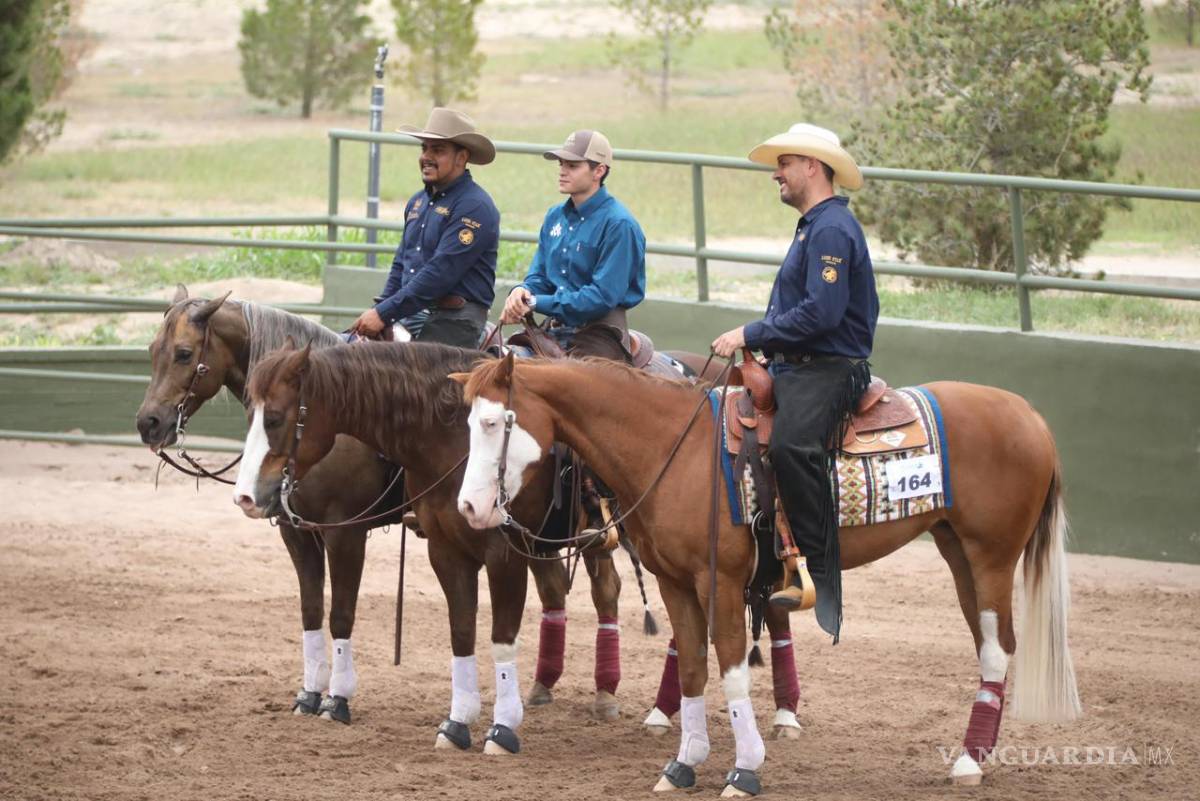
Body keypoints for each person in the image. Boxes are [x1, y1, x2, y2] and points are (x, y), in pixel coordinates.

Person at [711, 123, 879, 642]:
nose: (776, 175)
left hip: (830, 366)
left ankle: (818, 573)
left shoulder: (829, 230)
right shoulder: (814, 226)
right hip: (798, 364)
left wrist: (752, 331)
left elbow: (822, 314)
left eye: (784, 164)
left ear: (812, 166)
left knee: (789, 446)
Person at [350, 107, 499, 349]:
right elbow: (402, 262)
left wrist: (383, 313)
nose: (426, 156)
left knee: (416, 378)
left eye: (437, 150)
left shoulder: (474, 207)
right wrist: (381, 308)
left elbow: (441, 271)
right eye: (424, 148)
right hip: (414, 312)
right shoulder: (418, 202)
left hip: (456, 318)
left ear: (461, 158)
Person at [500, 129, 646, 363]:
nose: (562, 171)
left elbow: (601, 296)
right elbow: (540, 277)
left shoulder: (619, 224)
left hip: (601, 332)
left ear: (599, 170)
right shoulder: (554, 216)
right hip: (554, 328)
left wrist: (537, 302)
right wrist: (522, 291)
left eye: (573, 166)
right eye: (561, 164)